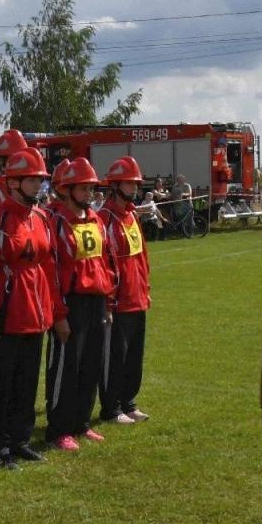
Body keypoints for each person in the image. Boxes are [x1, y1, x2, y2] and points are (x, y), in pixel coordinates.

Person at [0, 148, 60, 468]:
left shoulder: (41, 217)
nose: (39, 185)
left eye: (41, 179)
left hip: (35, 314)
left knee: (26, 383)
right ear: (13, 183)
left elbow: (47, 266)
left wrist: (51, 310)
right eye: (33, 179)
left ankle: (19, 440)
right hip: (6, 316)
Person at [45, 157, 116, 451]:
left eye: (91, 189)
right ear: (69, 189)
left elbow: (105, 260)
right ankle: (59, 429)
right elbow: (53, 272)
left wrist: (109, 302)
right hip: (71, 304)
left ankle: (81, 423)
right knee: (66, 367)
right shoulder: (58, 222)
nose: (89, 194)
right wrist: (59, 315)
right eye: (84, 189)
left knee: (90, 364)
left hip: (96, 302)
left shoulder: (95, 219)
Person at [99, 156, 153, 424]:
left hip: (137, 298)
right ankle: (111, 408)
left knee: (134, 357)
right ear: (115, 185)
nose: (134, 188)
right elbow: (104, 264)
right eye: (129, 184)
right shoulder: (105, 219)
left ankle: (128, 402)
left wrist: (146, 289)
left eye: (135, 184)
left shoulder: (131, 216)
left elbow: (142, 256)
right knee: (114, 358)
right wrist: (108, 302)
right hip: (118, 303)